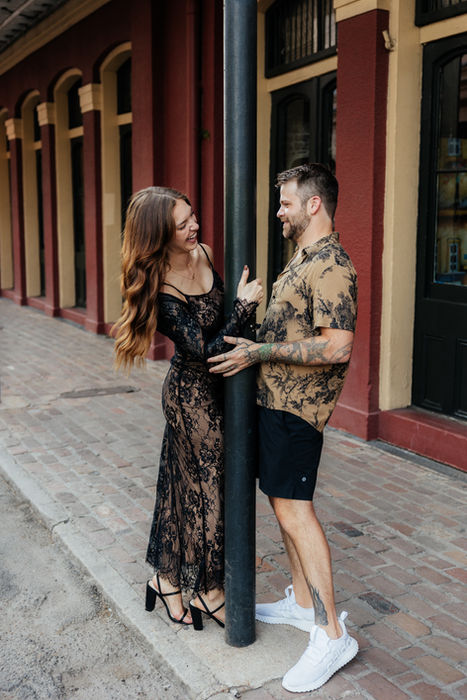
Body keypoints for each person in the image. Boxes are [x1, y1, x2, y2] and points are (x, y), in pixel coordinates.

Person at [208, 164, 358, 691]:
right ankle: (302, 604)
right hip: (275, 404)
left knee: (297, 512)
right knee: (281, 505)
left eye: (286, 202)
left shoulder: (333, 264)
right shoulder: (304, 257)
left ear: (314, 204)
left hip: (298, 414)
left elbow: (337, 346)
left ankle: (332, 633)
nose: (279, 212)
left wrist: (261, 351)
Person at [112, 186, 263, 629]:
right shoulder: (161, 286)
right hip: (191, 397)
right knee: (209, 491)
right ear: (161, 234)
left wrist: (244, 316)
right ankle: (209, 592)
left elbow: (227, 330)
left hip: (221, 391)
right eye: (182, 224)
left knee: (180, 489)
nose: (194, 226)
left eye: (192, 216)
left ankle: (165, 580)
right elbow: (206, 351)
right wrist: (242, 307)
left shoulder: (206, 253)